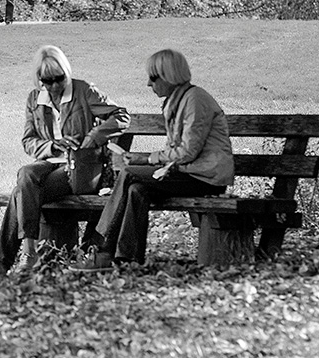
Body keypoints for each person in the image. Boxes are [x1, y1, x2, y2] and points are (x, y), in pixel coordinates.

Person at [73, 49, 235, 272]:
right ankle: (127, 260)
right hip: (188, 173)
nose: (149, 84)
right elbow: (179, 151)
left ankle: (100, 247)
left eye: (153, 77)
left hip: (205, 177)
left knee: (129, 174)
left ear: (169, 76)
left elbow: (188, 152)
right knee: (137, 190)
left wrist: (149, 159)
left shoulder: (195, 100)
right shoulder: (178, 100)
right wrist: (150, 162)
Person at [0, 45, 130, 273]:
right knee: (26, 175)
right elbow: (28, 141)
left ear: (66, 72)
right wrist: (52, 145)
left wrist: (93, 137)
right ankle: (27, 253)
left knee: (20, 192)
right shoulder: (36, 99)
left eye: (59, 78)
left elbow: (122, 116)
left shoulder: (84, 91)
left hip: (79, 168)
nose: (55, 85)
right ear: (39, 79)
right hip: (48, 163)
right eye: (48, 80)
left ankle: (7, 261)